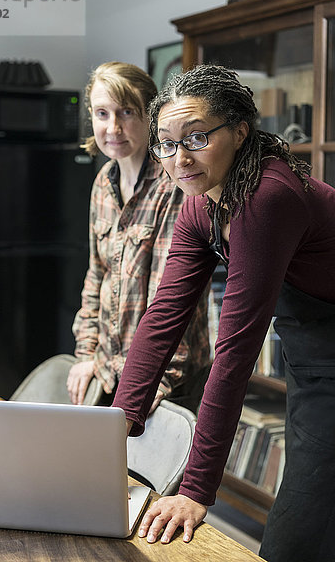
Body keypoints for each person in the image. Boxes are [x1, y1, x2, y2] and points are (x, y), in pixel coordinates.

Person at [112, 64, 335, 562]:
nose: (179, 158)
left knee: (296, 535)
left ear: (239, 131)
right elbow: (163, 316)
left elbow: (234, 353)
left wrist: (195, 491)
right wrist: (112, 429)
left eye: (195, 137)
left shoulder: (267, 198)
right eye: (166, 143)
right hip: (312, 350)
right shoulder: (199, 203)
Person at [65, 61, 211, 413]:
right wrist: (86, 354)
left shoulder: (175, 183)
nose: (112, 127)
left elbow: (174, 297)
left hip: (168, 381)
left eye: (126, 111)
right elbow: (96, 275)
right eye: (102, 113)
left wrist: (153, 380)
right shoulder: (103, 182)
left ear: (151, 115)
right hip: (109, 371)